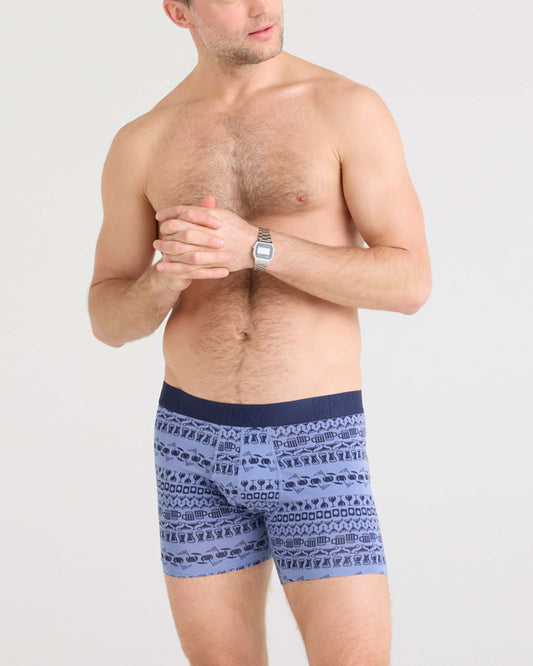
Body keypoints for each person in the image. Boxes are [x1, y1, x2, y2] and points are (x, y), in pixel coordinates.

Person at [88, 0, 432, 663]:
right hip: (191, 444)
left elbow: (409, 281)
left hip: (315, 440)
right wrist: (164, 278)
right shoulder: (143, 140)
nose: (262, 7)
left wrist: (259, 247)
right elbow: (107, 319)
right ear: (178, 11)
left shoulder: (344, 108)